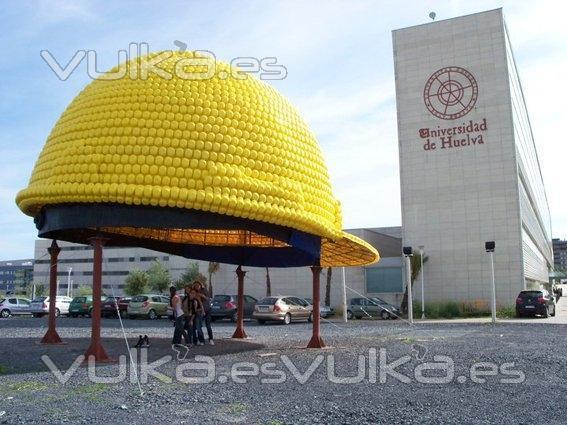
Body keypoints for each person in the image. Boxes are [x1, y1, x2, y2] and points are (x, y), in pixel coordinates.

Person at [194, 281, 214, 345]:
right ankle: (201, 340)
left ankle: (211, 339)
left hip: (207, 310)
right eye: (195, 285)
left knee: (208, 325)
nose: (197, 287)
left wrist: (203, 296)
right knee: (199, 326)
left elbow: (209, 299)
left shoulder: (204, 290)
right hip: (200, 311)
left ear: (200, 285)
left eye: (198, 285)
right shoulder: (195, 292)